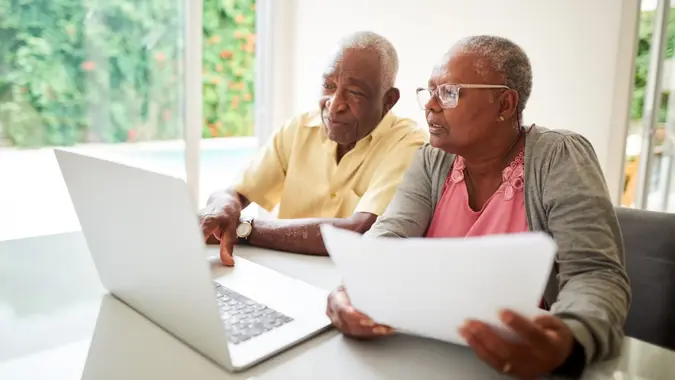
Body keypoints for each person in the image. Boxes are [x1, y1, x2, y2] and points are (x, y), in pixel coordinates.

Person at [326, 35, 631, 379]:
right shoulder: (431, 160)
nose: (430, 106)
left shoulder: (559, 157)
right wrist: (349, 290)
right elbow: (388, 234)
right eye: (430, 92)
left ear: (504, 104)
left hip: (518, 361)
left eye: (450, 92)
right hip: (430, 353)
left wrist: (569, 339)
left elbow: (595, 273)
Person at [200, 31, 426, 266]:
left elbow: (360, 230)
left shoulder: (410, 144)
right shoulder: (300, 128)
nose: (335, 104)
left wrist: (245, 230)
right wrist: (223, 207)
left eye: (355, 93)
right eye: (328, 86)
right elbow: (236, 192)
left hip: (347, 286)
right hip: (282, 272)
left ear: (388, 100)